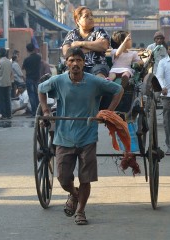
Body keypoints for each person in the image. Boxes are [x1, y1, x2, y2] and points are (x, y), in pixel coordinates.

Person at [38, 47, 124, 225]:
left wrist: (108, 112)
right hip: (64, 136)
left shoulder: (94, 81)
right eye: (71, 60)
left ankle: (81, 211)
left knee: (86, 178)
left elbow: (118, 90)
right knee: (62, 177)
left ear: (84, 63)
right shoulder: (59, 81)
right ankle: (74, 194)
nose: (75, 64)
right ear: (66, 63)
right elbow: (40, 89)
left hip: (87, 136)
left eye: (79, 60)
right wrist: (46, 110)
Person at [61, 6, 110, 78]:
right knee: (66, 78)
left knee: (99, 79)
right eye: (86, 16)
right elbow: (67, 52)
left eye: (91, 15)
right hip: (75, 65)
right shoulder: (72, 34)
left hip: (97, 66)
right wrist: (93, 47)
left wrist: (80, 43)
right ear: (77, 21)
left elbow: (103, 45)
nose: (91, 18)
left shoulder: (99, 31)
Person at [0, 48, 13, 120]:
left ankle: (4, 115)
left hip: (0, 84)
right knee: (7, 100)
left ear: (0, 54)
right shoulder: (9, 62)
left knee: (1, 100)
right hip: (8, 83)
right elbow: (11, 72)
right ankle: (9, 115)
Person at [22, 43, 41, 118]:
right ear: (33, 48)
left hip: (29, 78)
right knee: (37, 95)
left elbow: (23, 68)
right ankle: (38, 112)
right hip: (37, 78)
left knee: (31, 95)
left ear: (27, 50)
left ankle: (34, 112)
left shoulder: (27, 59)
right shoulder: (38, 57)